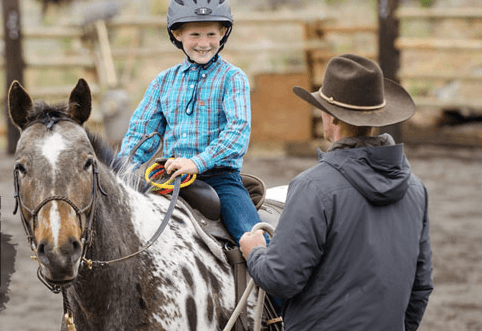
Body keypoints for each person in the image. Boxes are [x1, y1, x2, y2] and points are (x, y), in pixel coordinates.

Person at [239, 54, 433, 331]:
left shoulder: (313, 187)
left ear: (330, 117)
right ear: (377, 117)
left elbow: (282, 279)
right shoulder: (415, 189)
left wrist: (255, 252)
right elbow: (421, 285)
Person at [118, 0, 261, 244]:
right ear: (177, 33)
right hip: (169, 177)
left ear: (223, 33)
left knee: (252, 239)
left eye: (211, 34)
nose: (204, 43)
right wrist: (121, 171)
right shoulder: (163, 82)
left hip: (220, 178)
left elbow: (237, 132)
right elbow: (141, 134)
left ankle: (266, 275)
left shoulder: (233, 78)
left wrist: (197, 163)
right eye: (195, 34)